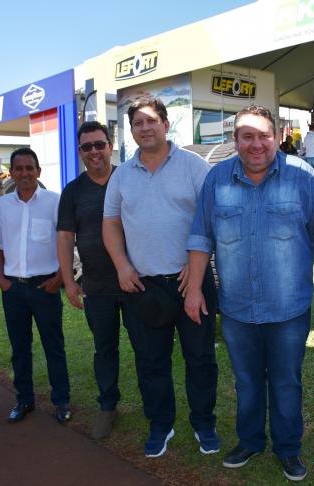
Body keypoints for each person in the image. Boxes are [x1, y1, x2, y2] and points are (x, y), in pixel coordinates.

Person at [185, 105, 314, 482]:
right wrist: (193, 289)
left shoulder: (302, 176)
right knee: (247, 381)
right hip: (237, 308)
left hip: (288, 308)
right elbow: (201, 237)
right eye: (248, 137)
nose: (257, 144)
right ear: (235, 140)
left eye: (264, 136)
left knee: (286, 382)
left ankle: (288, 448)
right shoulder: (217, 179)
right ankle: (250, 441)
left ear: (276, 137)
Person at [103, 96, 219, 458]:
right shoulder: (122, 175)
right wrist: (122, 265)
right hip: (144, 285)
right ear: (131, 130)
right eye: (137, 123)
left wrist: (196, 263)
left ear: (166, 125)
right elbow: (110, 222)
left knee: (200, 358)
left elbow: (213, 218)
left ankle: (204, 423)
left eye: (151, 120)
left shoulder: (194, 166)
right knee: (151, 360)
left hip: (192, 281)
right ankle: (160, 424)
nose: (145, 128)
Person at [57, 121, 130, 439]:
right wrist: (69, 281)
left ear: (110, 146)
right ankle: (108, 406)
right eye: (87, 147)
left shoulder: (129, 179)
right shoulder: (73, 191)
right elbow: (64, 237)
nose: (94, 151)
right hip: (97, 286)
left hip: (135, 281)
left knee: (147, 346)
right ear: (80, 152)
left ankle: (156, 409)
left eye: (99, 144)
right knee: (104, 348)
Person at [0, 148, 71, 425]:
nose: (24, 173)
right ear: (11, 173)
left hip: (45, 287)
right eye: (19, 168)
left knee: (54, 346)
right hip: (13, 289)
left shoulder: (54, 201)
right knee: (20, 348)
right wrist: (2, 280)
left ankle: (61, 400)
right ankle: (24, 399)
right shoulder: (2, 205)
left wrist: (59, 279)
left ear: (38, 171)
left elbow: (66, 242)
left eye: (29, 168)